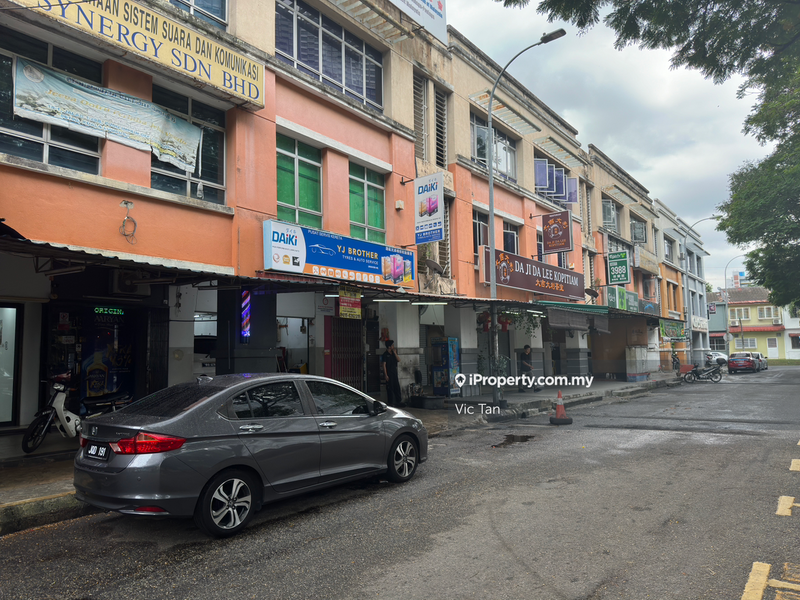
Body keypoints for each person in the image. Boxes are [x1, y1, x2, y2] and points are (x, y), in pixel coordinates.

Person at [381, 340, 405, 407]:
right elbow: (384, 365)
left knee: (397, 387)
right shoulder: (385, 354)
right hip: (389, 373)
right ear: (389, 346)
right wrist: (386, 375)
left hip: (394, 372)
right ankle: (391, 402)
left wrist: (395, 353)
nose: (393, 346)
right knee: (390, 388)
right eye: (392, 345)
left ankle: (398, 401)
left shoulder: (393, 354)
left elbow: (399, 360)